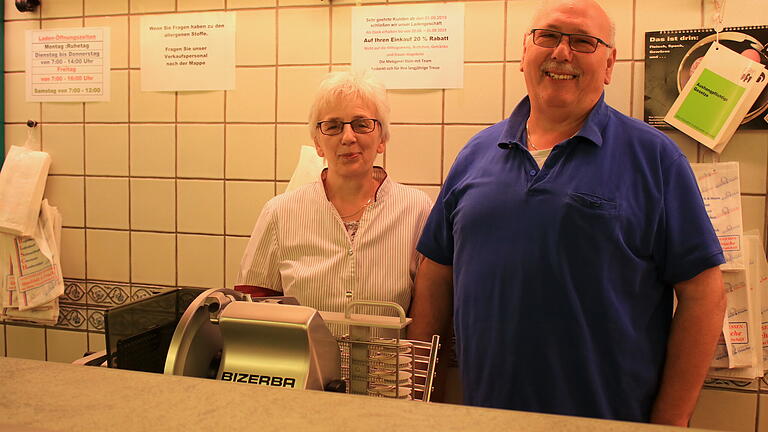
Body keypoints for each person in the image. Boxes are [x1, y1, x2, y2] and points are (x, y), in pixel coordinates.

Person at [408, 0, 726, 426]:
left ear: (610, 64)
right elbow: (435, 277)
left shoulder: (654, 158)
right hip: (483, 416)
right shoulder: (475, 155)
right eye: (549, 36)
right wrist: (419, 402)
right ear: (525, 52)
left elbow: (705, 296)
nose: (562, 53)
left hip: (609, 419)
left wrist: (669, 423)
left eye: (583, 42)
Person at [236, 71, 432, 335]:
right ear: (318, 143)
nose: (348, 137)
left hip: (388, 373)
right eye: (333, 126)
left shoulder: (417, 209)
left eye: (362, 124)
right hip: (305, 373)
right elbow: (251, 305)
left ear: (382, 139)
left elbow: (429, 310)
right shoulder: (280, 212)